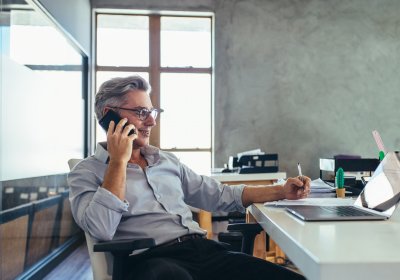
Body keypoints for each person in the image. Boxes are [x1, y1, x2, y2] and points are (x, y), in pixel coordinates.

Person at [68, 75, 311, 280]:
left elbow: (223, 195)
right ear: (110, 116)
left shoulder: (166, 161)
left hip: (204, 252)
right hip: (151, 262)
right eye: (141, 112)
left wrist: (281, 191)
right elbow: (101, 228)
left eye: (152, 112)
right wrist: (119, 161)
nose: (152, 121)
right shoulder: (87, 172)